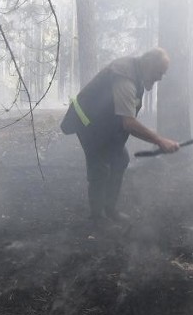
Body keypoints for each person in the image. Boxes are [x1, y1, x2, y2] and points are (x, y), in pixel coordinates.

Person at [60, 47, 180, 224]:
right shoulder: (125, 76)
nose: (160, 78)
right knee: (99, 167)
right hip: (87, 122)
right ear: (148, 64)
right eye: (158, 72)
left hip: (103, 123)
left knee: (120, 159)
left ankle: (110, 209)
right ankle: (97, 217)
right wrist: (159, 140)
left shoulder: (136, 72)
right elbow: (129, 123)